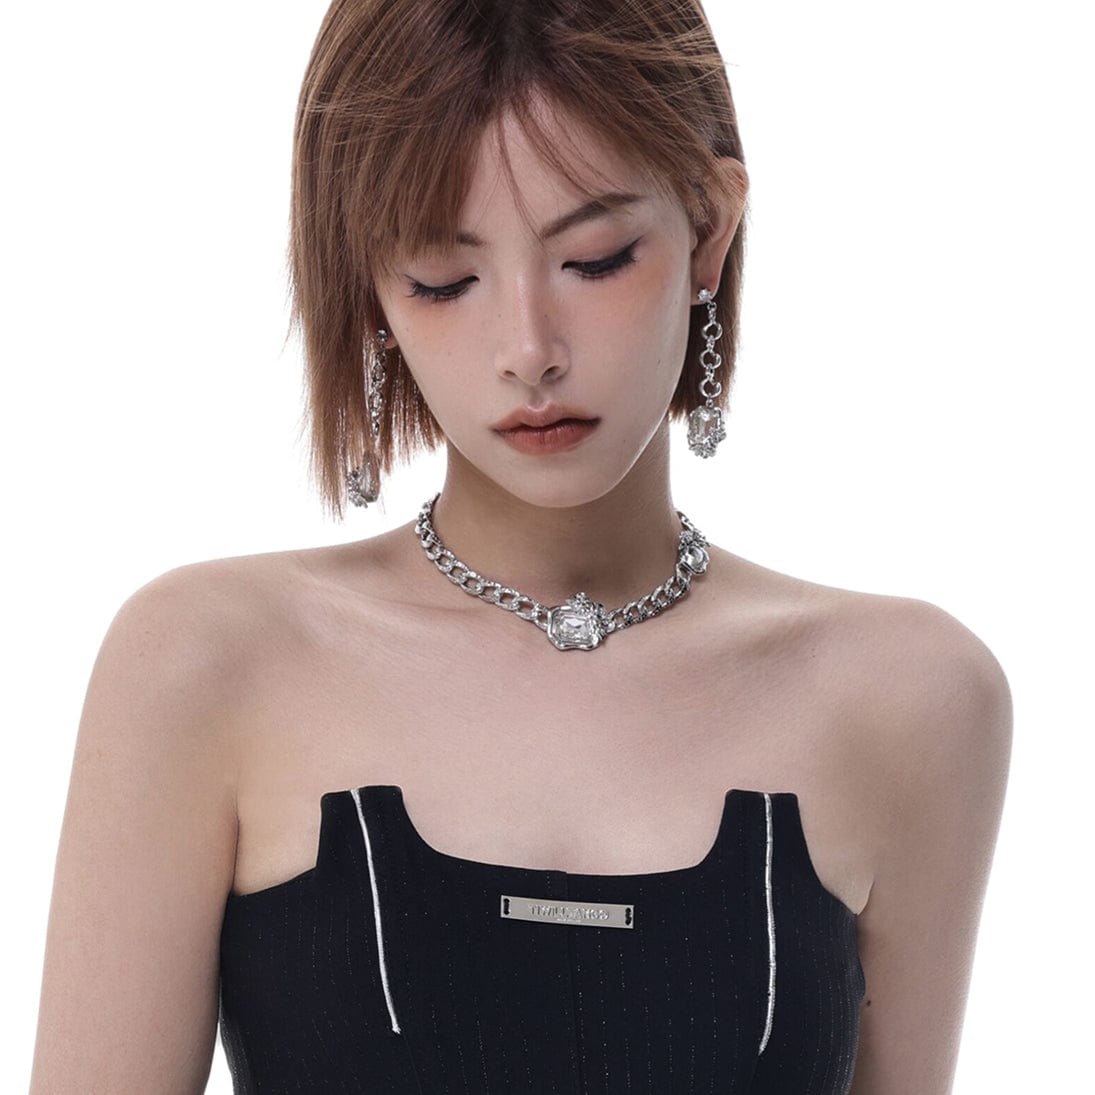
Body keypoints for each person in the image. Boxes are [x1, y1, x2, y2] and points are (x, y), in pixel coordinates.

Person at [30, 1, 1012, 1092]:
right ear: (369, 288)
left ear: (710, 226)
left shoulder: (910, 698)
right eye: (444, 281)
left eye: (594, 259)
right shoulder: (206, 665)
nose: (528, 350)